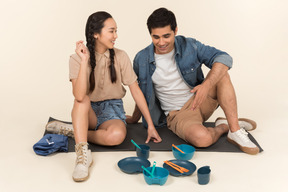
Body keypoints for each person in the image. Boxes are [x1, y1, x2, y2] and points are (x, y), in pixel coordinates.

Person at [45, 11, 162, 182]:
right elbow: (78, 95)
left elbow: (136, 90)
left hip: (112, 110)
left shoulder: (121, 56)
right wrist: (84, 61)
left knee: (117, 137)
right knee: (82, 99)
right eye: (111, 31)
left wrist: (150, 125)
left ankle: (75, 131)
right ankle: (82, 155)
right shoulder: (76, 59)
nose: (116, 36)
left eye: (116, 31)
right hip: (88, 110)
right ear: (95, 34)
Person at [126, 7, 259, 155]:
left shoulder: (190, 45)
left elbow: (224, 58)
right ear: (150, 34)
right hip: (179, 114)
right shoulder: (141, 59)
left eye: (166, 36)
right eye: (156, 37)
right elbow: (140, 92)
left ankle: (235, 130)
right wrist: (134, 119)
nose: (161, 42)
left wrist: (205, 86)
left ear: (175, 31)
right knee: (203, 139)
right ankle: (224, 126)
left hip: (200, 99)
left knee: (222, 73)